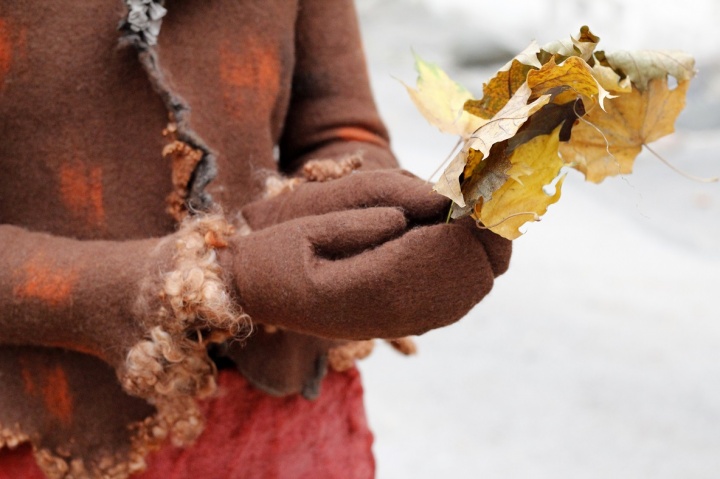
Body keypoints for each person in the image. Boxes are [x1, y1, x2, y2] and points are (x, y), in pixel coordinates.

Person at [0, 1, 511, 478]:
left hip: (291, 425)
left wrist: (357, 209)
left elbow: (339, 123)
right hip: (55, 434)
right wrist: (212, 278)